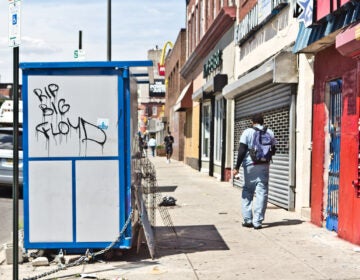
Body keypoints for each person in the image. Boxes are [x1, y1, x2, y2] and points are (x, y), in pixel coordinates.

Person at [233, 114, 277, 230]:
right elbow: (274, 150)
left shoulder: (247, 132)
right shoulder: (270, 132)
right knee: (262, 193)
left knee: (247, 191)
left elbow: (242, 150)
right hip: (264, 166)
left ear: (253, 122)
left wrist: (236, 167)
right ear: (263, 122)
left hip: (250, 165)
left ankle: (248, 220)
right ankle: (257, 222)